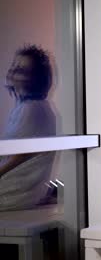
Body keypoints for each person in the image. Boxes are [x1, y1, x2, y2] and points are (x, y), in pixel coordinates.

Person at [0, 45, 56, 211]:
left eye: (22, 70)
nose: (13, 72)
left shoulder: (32, 109)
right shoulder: (25, 107)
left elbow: (20, 155)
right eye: (14, 66)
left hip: (15, 193)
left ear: (35, 78)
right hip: (23, 191)